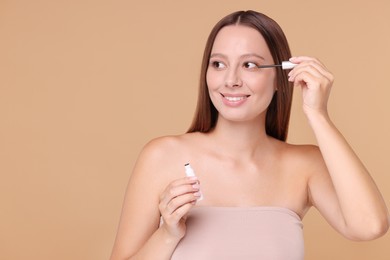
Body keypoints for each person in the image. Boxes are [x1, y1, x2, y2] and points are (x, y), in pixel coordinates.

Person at [110, 10, 389, 260]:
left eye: (250, 65)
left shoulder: (305, 166)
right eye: (218, 64)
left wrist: (318, 115)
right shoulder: (162, 156)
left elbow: (370, 226)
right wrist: (168, 234)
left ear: (282, 78)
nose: (231, 80)